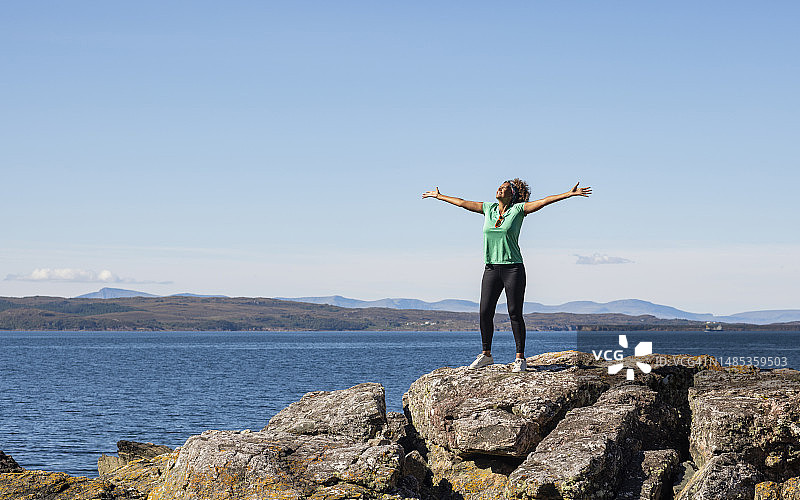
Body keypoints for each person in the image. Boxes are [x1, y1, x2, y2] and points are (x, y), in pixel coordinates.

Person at [422, 179, 591, 372]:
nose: (499, 189)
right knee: (485, 312)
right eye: (499, 186)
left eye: (504, 188)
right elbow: (462, 203)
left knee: (514, 312)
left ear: (513, 194)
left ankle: (520, 358)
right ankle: (486, 355)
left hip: (513, 269)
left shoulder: (518, 210)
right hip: (491, 268)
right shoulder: (489, 209)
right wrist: (439, 196)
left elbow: (544, 201)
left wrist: (568, 194)